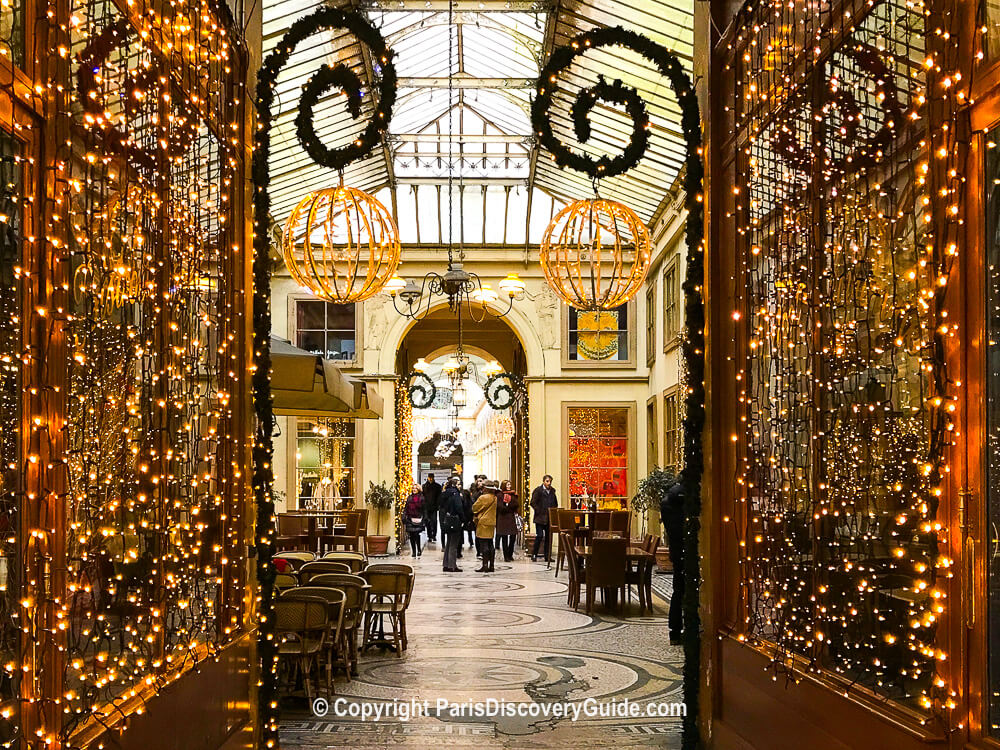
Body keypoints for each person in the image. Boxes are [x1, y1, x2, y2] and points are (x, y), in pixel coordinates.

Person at [660, 479, 685, 643]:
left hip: (677, 551)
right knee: (683, 589)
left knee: (679, 590)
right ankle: (682, 630)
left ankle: (675, 630)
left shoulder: (670, 495)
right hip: (685, 551)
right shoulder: (681, 496)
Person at [529, 475, 558, 562]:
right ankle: (534, 554)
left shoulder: (552, 491)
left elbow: (555, 503)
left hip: (549, 518)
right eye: (547, 481)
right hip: (540, 518)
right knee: (540, 536)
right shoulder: (538, 490)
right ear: (543, 481)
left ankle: (547, 556)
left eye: (550, 481)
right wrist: (539, 510)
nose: (548, 483)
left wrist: (553, 511)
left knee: (548, 538)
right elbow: (533, 502)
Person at [440, 477, 465, 572]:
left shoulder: (445, 493)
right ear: (454, 485)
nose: (460, 486)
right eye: (459, 484)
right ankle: (452, 565)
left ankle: (446, 564)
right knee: (454, 544)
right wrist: (463, 519)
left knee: (449, 542)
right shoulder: (456, 494)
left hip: (447, 519)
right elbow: (459, 507)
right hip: (455, 520)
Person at [472, 481, 498, 573]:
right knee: (490, 543)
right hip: (492, 522)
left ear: (486, 488)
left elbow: (474, 508)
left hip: (483, 522)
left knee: (484, 544)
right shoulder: (495, 498)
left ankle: (485, 566)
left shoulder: (482, 498)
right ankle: (492, 566)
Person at [494, 479, 520, 562]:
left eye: (510, 485)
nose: (509, 486)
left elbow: (516, 504)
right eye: (507, 485)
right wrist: (507, 505)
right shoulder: (500, 495)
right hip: (503, 518)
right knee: (504, 537)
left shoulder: (513, 494)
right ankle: (506, 556)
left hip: (511, 517)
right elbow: (500, 507)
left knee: (513, 536)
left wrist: (509, 504)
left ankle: (510, 553)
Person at [403, 484, 425, 558]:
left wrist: (424, 518)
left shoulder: (421, 498)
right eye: (413, 488)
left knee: (416, 534)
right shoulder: (409, 498)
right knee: (411, 535)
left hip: (418, 518)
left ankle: (418, 549)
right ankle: (414, 551)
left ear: (418, 489)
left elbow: (424, 509)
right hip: (410, 518)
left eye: (415, 488)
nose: (414, 490)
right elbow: (406, 508)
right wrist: (404, 516)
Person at [422, 473, 442, 544]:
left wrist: (437, 505)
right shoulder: (424, 486)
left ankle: (434, 535)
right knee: (427, 521)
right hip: (427, 507)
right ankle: (429, 535)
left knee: (434, 521)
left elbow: (439, 497)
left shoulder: (437, 486)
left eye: (431, 477)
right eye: (429, 477)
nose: (430, 479)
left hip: (434, 507)